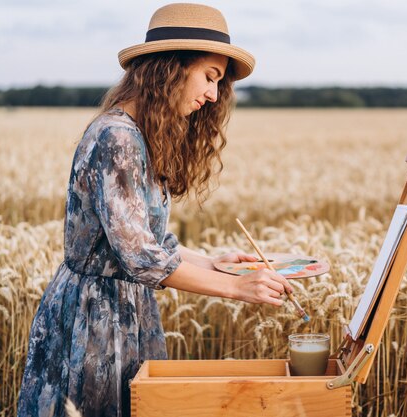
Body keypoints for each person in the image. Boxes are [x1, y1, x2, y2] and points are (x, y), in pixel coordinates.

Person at [17, 4, 293, 416]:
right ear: (170, 68)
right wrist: (237, 289)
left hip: (126, 310)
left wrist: (215, 264)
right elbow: (140, 258)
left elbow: (152, 243)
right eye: (209, 77)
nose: (214, 95)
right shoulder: (117, 137)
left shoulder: (141, 138)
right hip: (93, 321)